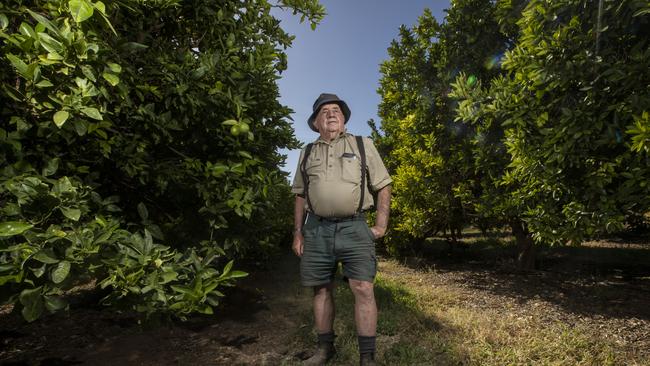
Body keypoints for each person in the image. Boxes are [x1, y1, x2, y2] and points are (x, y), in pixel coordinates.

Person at [292, 93, 392, 366]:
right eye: (324, 111)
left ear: (345, 121)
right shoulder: (307, 152)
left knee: (363, 288)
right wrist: (297, 232)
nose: (332, 114)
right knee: (321, 290)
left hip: (354, 226)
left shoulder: (362, 144)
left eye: (336, 110)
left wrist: (381, 225)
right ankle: (325, 350)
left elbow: (383, 184)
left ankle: (367, 358)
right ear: (315, 123)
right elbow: (300, 195)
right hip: (317, 230)